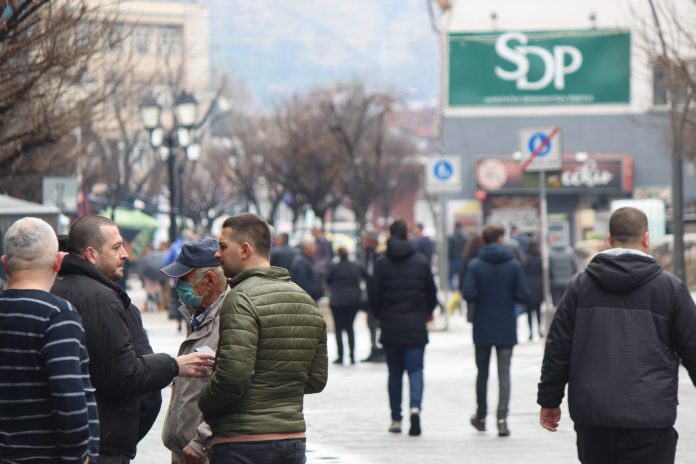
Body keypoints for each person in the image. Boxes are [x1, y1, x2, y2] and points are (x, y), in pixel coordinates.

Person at [538, 207, 696, 464]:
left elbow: (558, 346)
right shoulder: (670, 288)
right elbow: (692, 346)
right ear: (646, 238)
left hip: (594, 415)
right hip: (649, 414)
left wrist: (549, 400)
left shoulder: (581, 285)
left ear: (609, 240)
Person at [51, 216, 214, 464]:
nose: (126, 254)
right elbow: (127, 375)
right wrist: (174, 365)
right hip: (103, 446)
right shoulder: (104, 300)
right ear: (91, 254)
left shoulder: (53, 289)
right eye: (116, 247)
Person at [198, 213, 328, 464]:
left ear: (245, 249)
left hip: (242, 441)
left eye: (223, 246)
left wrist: (204, 401)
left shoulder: (241, 298)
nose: (217, 254)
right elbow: (316, 379)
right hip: (292, 440)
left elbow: (233, 377)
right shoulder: (305, 300)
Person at [0, 218, 99, 464]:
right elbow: (68, 396)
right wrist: (78, 456)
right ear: (57, 263)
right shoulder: (58, 316)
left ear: (5, 265)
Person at [160, 238, 230, 464]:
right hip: (186, 450)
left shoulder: (231, 318)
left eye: (184, 279)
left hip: (206, 451)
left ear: (209, 279)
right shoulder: (198, 314)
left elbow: (233, 387)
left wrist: (202, 439)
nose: (178, 287)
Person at [369, 219, 437, 437]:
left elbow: (374, 295)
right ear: (407, 234)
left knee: (395, 373)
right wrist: (427, 312)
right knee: (416, 370)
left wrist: (380, 315)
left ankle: (396, 418)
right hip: (416, 325)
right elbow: (431, 292)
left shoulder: (381, 263)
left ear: (390, 235)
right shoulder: (420, 261)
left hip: (391, 326)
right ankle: (415, 409)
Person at [462, 224, 531, 437]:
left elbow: (469, 292)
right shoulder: (513, 265)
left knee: (482, 372)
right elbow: (524, 295)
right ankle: (502, 418)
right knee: (504, 373)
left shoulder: (475, 265)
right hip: (505, 326)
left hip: (482, 325)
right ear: (500, 239)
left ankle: (481, 415)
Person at [326, 246, 366, 365]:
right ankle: (352, 355)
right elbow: (366, 276)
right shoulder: (355, 265)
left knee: (338, 328)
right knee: (350, 328)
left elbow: (327, 280)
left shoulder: (334, 267)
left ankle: (340, 355)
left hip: (337, 301)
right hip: (353, 301)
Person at [361, 230, 385, 363]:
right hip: (371, 296)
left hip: (378, 296)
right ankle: (374, 348)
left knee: (378, 323)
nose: (363, 242)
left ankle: (380, 349)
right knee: (371, 324)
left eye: (366, 239)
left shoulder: (379, 255)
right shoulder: (368, 254)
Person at [290, 237, 324, 301]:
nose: (315, 247)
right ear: (306, 247)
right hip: (306, 301)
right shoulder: (301, 262)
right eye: (313, 245)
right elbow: (302, 284)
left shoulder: (306, 259)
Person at [523, 239, 544, 340]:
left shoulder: (525, 258)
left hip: (528, 286)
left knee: (529, 312)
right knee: (538, 310)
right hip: (539, 286)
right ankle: (539, 330)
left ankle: (530, 332)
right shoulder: (540, 258)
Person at [447, 222, 468, 289]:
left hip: (453, 260)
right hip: (462, 260)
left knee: (450, 277)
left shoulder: (452, 237)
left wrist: (449, 259)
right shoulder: (465, 237)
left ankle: (454, 290)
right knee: (462, 277)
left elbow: (449, 250)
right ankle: (459, 290)